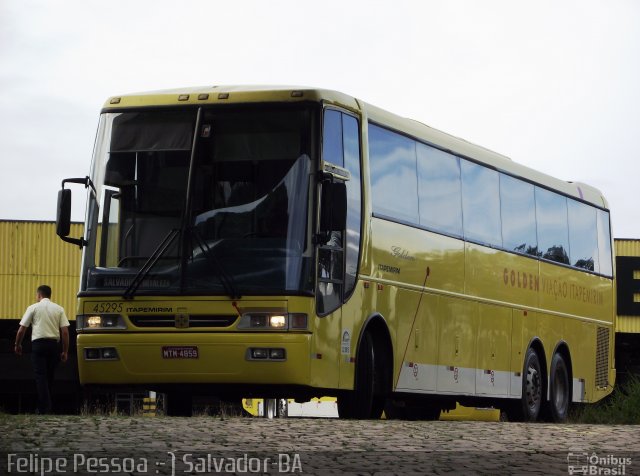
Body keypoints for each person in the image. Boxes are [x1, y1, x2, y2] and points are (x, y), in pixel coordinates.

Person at [14, 285, 70, 414]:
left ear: (39, 295)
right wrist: (65, 351)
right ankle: (46, 407)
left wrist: (17, 344)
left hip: (38, 345)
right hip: (53, 346)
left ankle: (44, 408)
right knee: (49, 376)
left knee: (41, 377)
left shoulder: (33, 308)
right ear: (50, 295)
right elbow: (65, 332)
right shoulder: (59, 309)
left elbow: (22, 329)